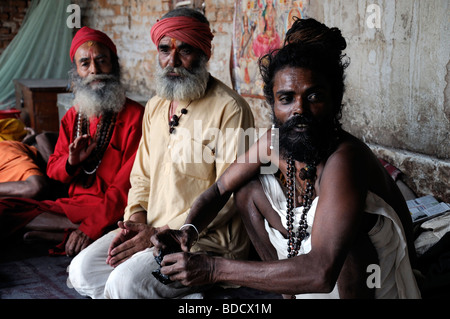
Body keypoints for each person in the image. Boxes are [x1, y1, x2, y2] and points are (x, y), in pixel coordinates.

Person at [151, 18, 421, 299]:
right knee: (246, 188)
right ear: (273, 102)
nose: (299, 110)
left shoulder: (345, 158)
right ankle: (287, 294)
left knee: (347, 238)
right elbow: (219, 189)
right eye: (287, 98)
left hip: (367, 281)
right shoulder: (274, 141)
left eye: (313, 96)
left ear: (335, 100)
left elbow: (321, 272)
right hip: (312, 275)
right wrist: (188, 232)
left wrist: (213, 268)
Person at [67, 7, 254, 299]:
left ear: (205, 52)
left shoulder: (230, 109)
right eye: (165, 49)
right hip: (150, 228)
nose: (173, 61)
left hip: (202, 238)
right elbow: (140, 177)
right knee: (81, 271)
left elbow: (228, 198)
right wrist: (138, 221)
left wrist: (161, 232)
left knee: (124, 284)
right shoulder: (155, 106)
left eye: (185, 50)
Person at [0, 27, 144, 256]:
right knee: (4, 208)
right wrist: (71, 161)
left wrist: (91, 227)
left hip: (111, 210)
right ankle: (72, 232)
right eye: (85, 63)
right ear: (76, 71)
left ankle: (88, 233)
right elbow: (54, 171)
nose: (95, 70)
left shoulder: (136, 116)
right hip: (71, 208)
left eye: (102, 61)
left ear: (114, 65)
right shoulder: (73, 117)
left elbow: (126, 187)